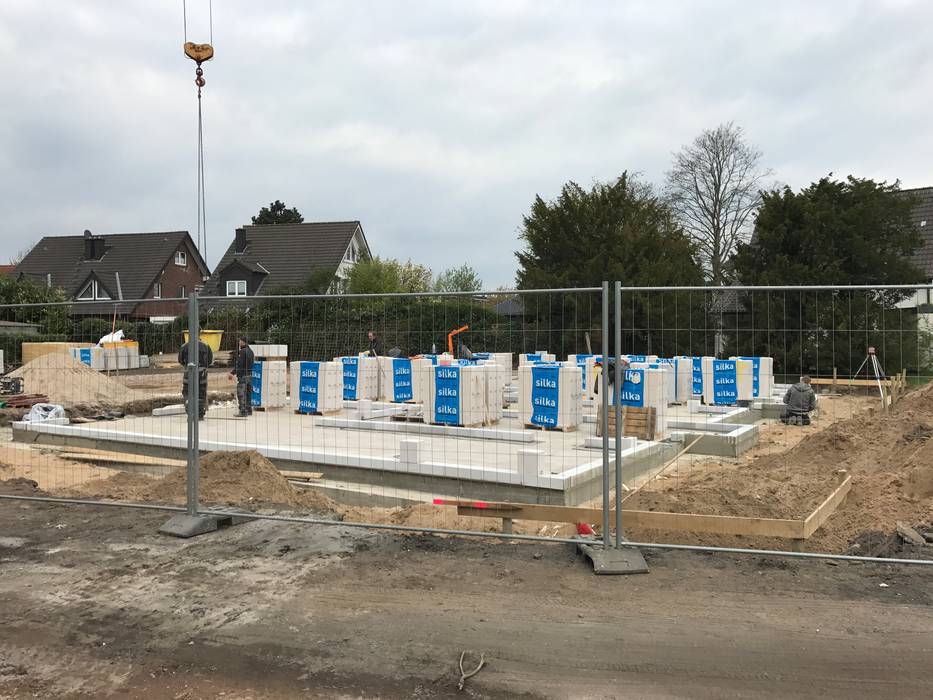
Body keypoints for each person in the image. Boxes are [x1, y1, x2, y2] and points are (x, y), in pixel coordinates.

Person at [178, 336, 213, 420]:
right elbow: (210, 360)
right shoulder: (206, 346)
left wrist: (187, 366)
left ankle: (190, 413)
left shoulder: (184, 346)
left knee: (187, 392)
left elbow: (180, 360)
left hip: (188, 372)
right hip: (202, 373)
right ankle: (200, 414)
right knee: (201, 392)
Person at [229, 336, 255, 417]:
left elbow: (239, 364)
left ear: (244, 342)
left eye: (240, 341)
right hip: (250, 375)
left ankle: (243, 411)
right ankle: (249, 409)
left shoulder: (243, 352)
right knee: (248, 393)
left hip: (243, 375)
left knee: (241, 393)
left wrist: (232, 373)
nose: (239, 343)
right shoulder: (251, 351)